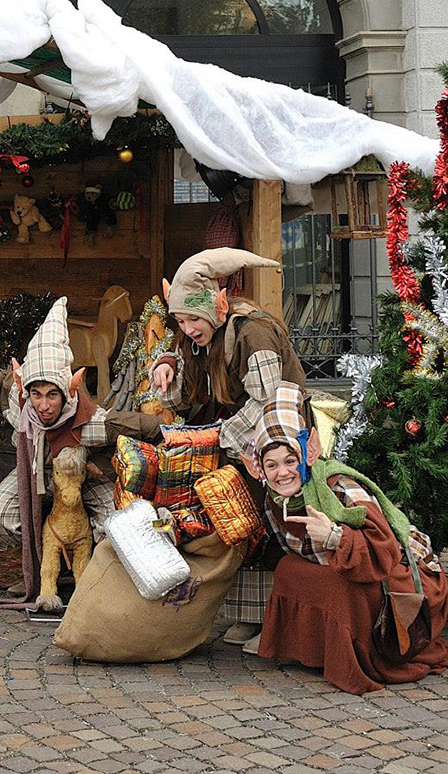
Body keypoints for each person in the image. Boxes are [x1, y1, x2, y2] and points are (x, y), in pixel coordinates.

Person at [252, 382, 448, 694]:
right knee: (288, 568)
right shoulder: (275, 500)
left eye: (289, 460)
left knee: (340, 584)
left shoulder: (339, 486)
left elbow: (386, 550)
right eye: (272, 465)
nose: (282, 472)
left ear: (306, 454)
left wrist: (336, 537)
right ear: (261, 468)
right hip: (354, 568)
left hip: (402, 573)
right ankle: (315, 649)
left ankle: (363, 652)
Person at [150, 247, 308, 653]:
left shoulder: (253, 333)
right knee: (237, 520)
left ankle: (277, 620)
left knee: (271, 521)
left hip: (280, 436)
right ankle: (248, 613)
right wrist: (165, 368)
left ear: (217, 308)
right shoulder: (197, 338)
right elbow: (186, 396)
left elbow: (269, 398)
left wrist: (220, 438)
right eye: (180, 321)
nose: (186, 328)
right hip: (242, 438)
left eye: (191, 319)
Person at [0, 298, 161, 607]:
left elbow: (143, 428)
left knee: (117, 525)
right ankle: (40, 570)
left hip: (84, 478)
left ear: (67, 391)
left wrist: (105, 466)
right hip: (37, 473)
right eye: (37, 395)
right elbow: (1, 377)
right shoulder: (22, 405)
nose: (43, 406)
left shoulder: (91, 423)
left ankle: (95, 574)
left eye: (52, 396)